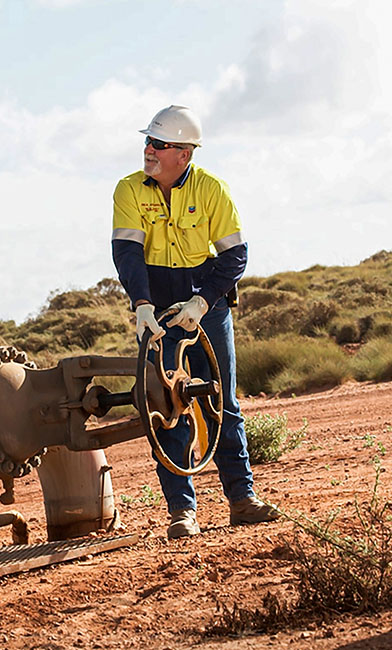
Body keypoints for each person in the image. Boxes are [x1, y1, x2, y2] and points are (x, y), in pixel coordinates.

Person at [111, 105, 280, 539]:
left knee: (221, 402)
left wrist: (204, 303)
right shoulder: (129, 190)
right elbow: (128, 253)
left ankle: (242, 500)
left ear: (184, 154)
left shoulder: (212, 190)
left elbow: (235, 257)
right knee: (164, 406)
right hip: (159, 310)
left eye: (159, 144)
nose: (148, 150)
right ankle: (182, 513)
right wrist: (142, 306)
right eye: (148, 141)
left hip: (207, 304)